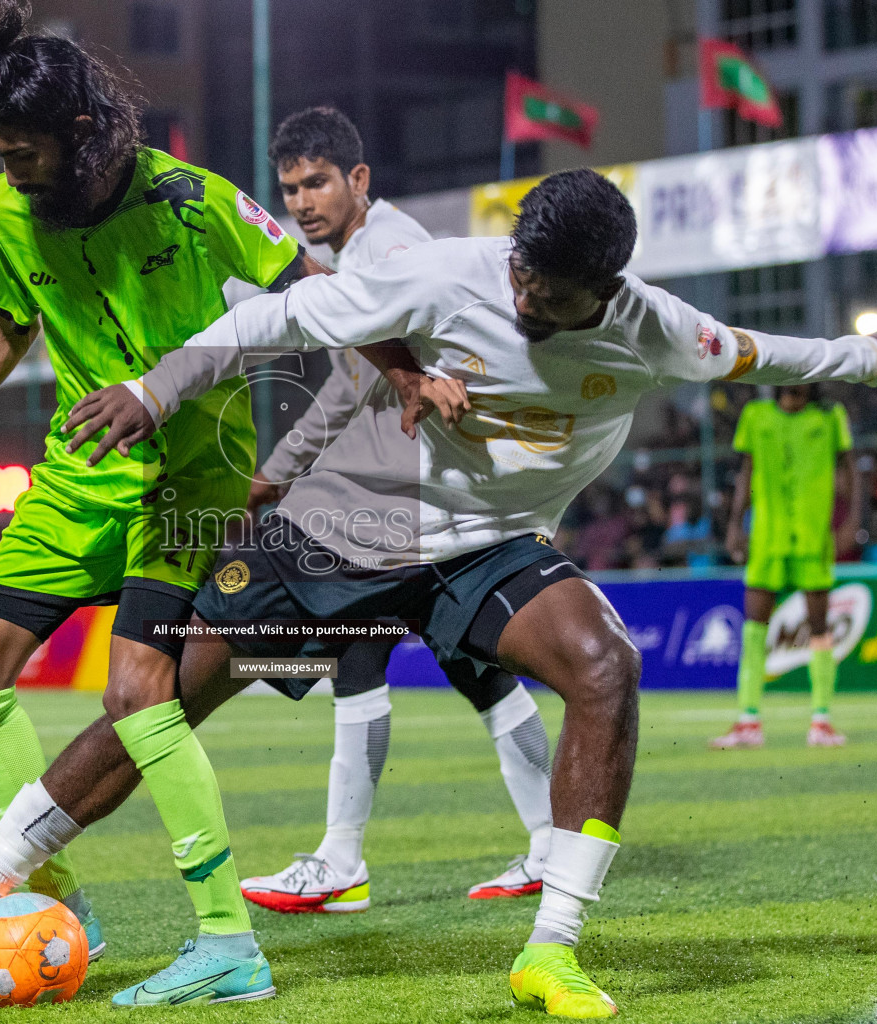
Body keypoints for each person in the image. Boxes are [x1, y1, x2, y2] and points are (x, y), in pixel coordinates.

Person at [0, 168, 877, 1016]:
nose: (527, 295)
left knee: (605, 664)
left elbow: (763, 354)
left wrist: (866, 359)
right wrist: (154, 392)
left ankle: (552, 946)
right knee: (163, 696)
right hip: (348, 525)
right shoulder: (448, 276)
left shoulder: (660, 332)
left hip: (487, 548)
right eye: (523, 270)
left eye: (551, 288)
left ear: (607, 287)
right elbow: (280, 315)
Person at [0, 1, 361, 1000]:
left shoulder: (191, 197)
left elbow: (317, 286)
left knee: (136, 699)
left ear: (81, 131)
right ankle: (45, 894)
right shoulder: (9, 213)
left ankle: (228, 942)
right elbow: (11, 324)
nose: (9, 175)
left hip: (191, 475)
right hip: (79, 470)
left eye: (23, 156)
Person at [235, 106, 554, 915]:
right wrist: (281, 472)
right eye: (291, 188)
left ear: (359, 180)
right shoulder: (350, 257)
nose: (303, 202)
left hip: (413, 503)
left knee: (356, 658)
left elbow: (430, 364)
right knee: (471, 671)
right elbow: (353, 382)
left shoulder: (394, 251)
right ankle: (547, 846)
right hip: (424, 499)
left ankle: (341, 861)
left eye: (317, 182)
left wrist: (278, 474)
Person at [715, 385, 855, 749]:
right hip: (766, 537)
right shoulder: (756, 415)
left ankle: (821, 720)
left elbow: (849, 472)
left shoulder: (829, 415)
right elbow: (746, 472)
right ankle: (748, 721)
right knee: (753, 630)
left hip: (813, 537)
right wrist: (735, 524)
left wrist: (852, 522)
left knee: (820, 628)